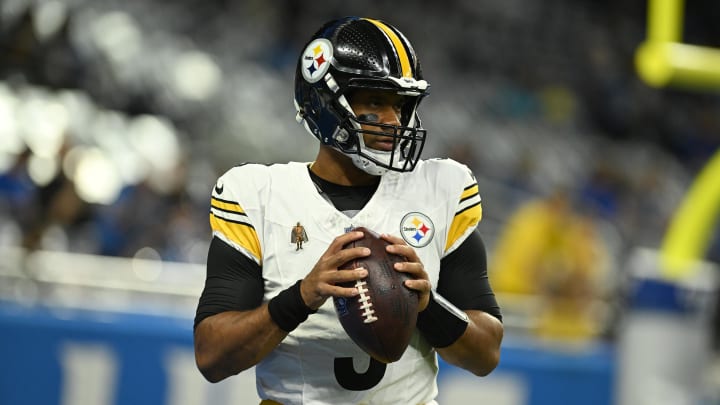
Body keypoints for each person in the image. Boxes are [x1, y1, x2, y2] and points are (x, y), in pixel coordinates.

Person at [193, 16, 503, 404]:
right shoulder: (259, 195)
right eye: (376, 101)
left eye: (401, 105)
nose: (394, 120)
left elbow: (486, 353)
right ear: (324, 103)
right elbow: (211, 356)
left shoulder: (440, 188)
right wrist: (302, 297)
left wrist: (427, 305)